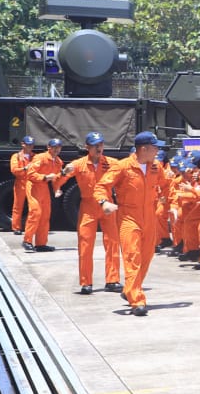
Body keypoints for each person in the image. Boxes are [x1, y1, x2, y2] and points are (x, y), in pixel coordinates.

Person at [95, 131, 167, 316]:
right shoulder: (123, 166)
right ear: (144, 149)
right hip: (129, 218)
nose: (158, 150)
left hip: (149, 217)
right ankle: (137, 300)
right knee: (132, 256)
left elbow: (167, 183)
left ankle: (129, 289)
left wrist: (167, 199)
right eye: (155, 147)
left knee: (147, 256)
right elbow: (101, 186)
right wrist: (104, 202)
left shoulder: (155, 166)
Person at [67, 132, 122, 295]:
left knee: (112, 242)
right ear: (87, 147)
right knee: (85, 243)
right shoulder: (79, 164)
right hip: (88, 207)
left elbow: (125, 171)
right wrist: (63, 173)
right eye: (95, 145)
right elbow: (61, 176)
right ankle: (86, 283)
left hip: (107, 205)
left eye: (101, 145)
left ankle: (112, 280)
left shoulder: (112, 163)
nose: (99, 148)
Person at [23, 138, 65, 252]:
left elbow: (56, 179)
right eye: (54, 147)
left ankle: (40, 244)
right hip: (34, 186)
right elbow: (30, 174)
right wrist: (45, 177)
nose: (57, 149)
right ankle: (27, 240)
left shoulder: (58, 162)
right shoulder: (40, 158)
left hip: (44, 188)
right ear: (49, 147)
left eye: (59, 147)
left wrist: (57, 189)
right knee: (35, 212)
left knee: (45, 215)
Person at [10, 136, 35, 234]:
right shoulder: (16, 156)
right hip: (20, 183)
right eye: (28, 144)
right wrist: (25, 168)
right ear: (22, 144)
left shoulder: (35, 157)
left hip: (32, 183)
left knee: (32, 207)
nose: (30, 147)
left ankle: (30, 227)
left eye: (31, 145)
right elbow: (14, 170)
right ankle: (16, 228)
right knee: (17, 206)